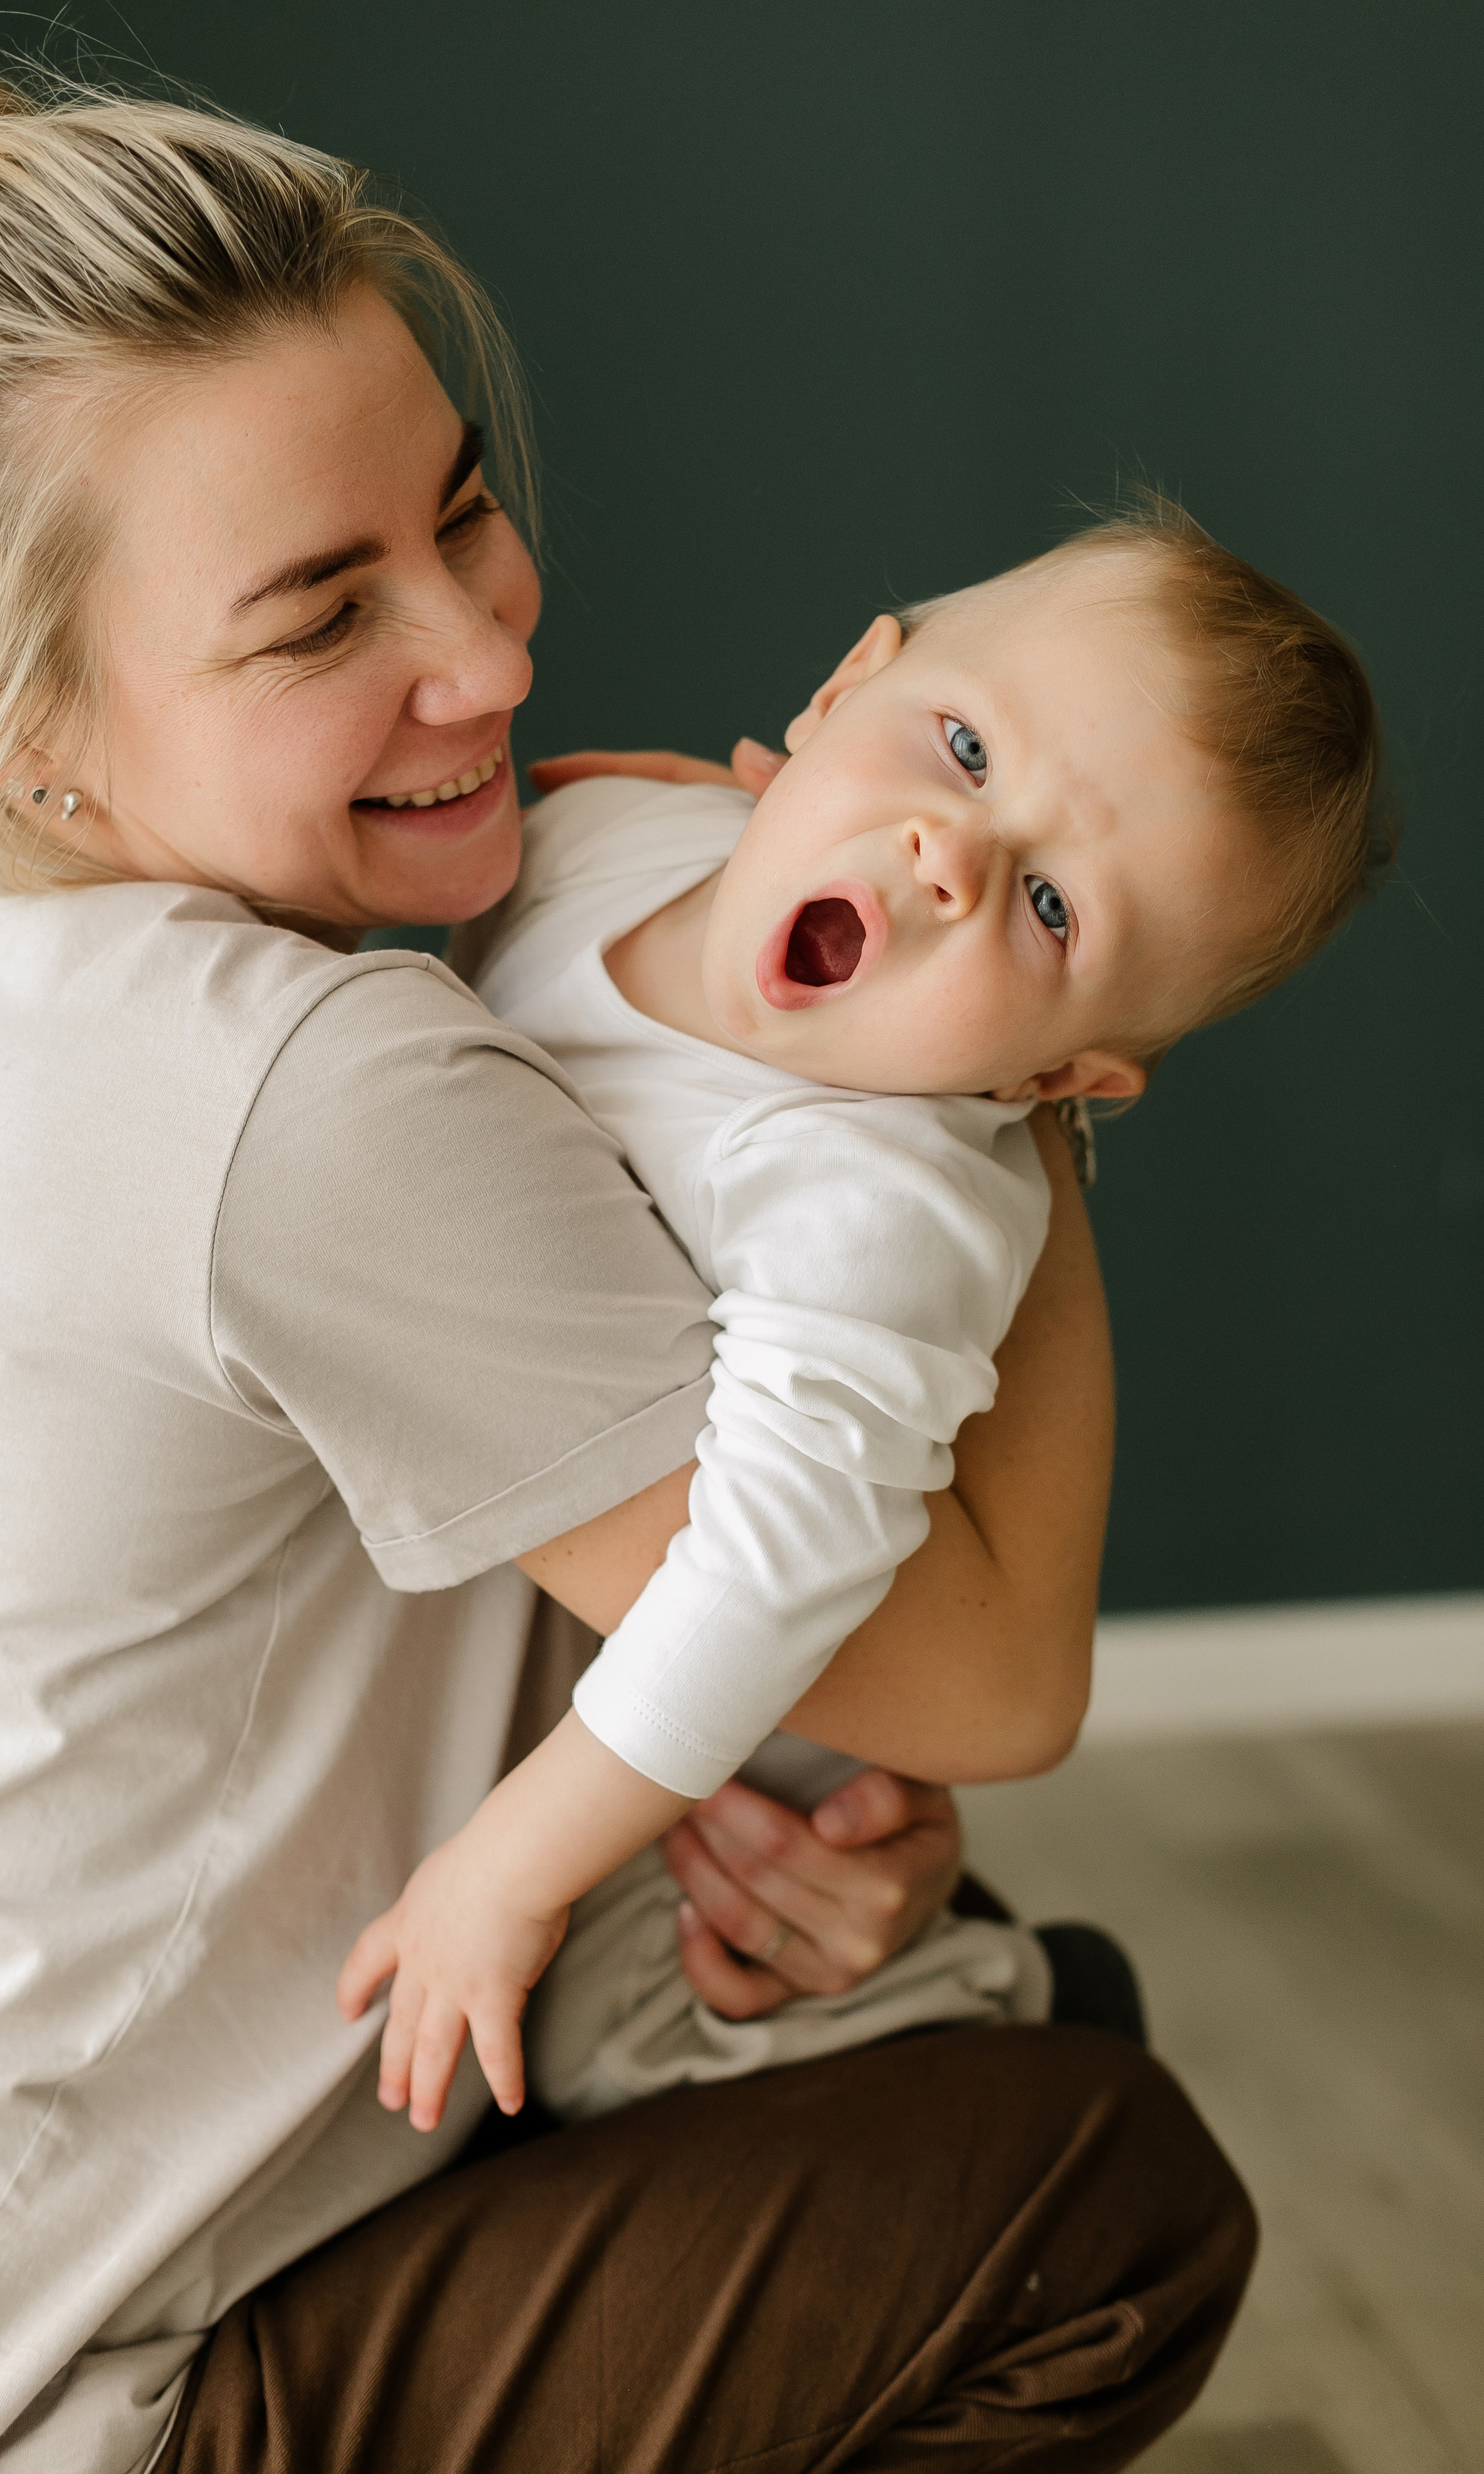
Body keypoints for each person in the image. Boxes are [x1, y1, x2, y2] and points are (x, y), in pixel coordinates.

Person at [0, 15, 1255, 2471]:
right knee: (1096, 2193)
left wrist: (764, 1860)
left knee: (974, 2008)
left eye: (461, 512)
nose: (489, 653)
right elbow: (999, 1676)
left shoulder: (51, 973)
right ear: (20, 730)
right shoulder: (299, 1093)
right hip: (36, 2390)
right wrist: (1009, 1079)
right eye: (320, 617)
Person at [339, 512, 1385, 2134]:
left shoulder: (875, 1198)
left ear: (1050, 1078)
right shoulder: (606, 835)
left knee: (628, 2041)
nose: (947, 855)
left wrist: (509, 1870)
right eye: (962, 748)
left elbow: (767, 1571)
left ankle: (984, 2015)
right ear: (837, 692)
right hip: (547, 1648)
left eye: (1051, 908)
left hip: (725, 1799)